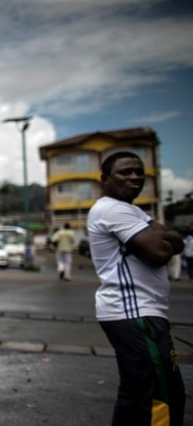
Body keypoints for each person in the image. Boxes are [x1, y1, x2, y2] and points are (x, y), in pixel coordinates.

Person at [86, 151, 186, 426]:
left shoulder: (133, 211)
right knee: (161, 393)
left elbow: (177, 241)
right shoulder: (111, 209)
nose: (135, 177)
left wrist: (154, 233)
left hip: (137, 313)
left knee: (137, 393)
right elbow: (161, 251)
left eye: (139, 171)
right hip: (135, 313)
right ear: (104, 180)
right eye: (125, 172)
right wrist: (155, 234)